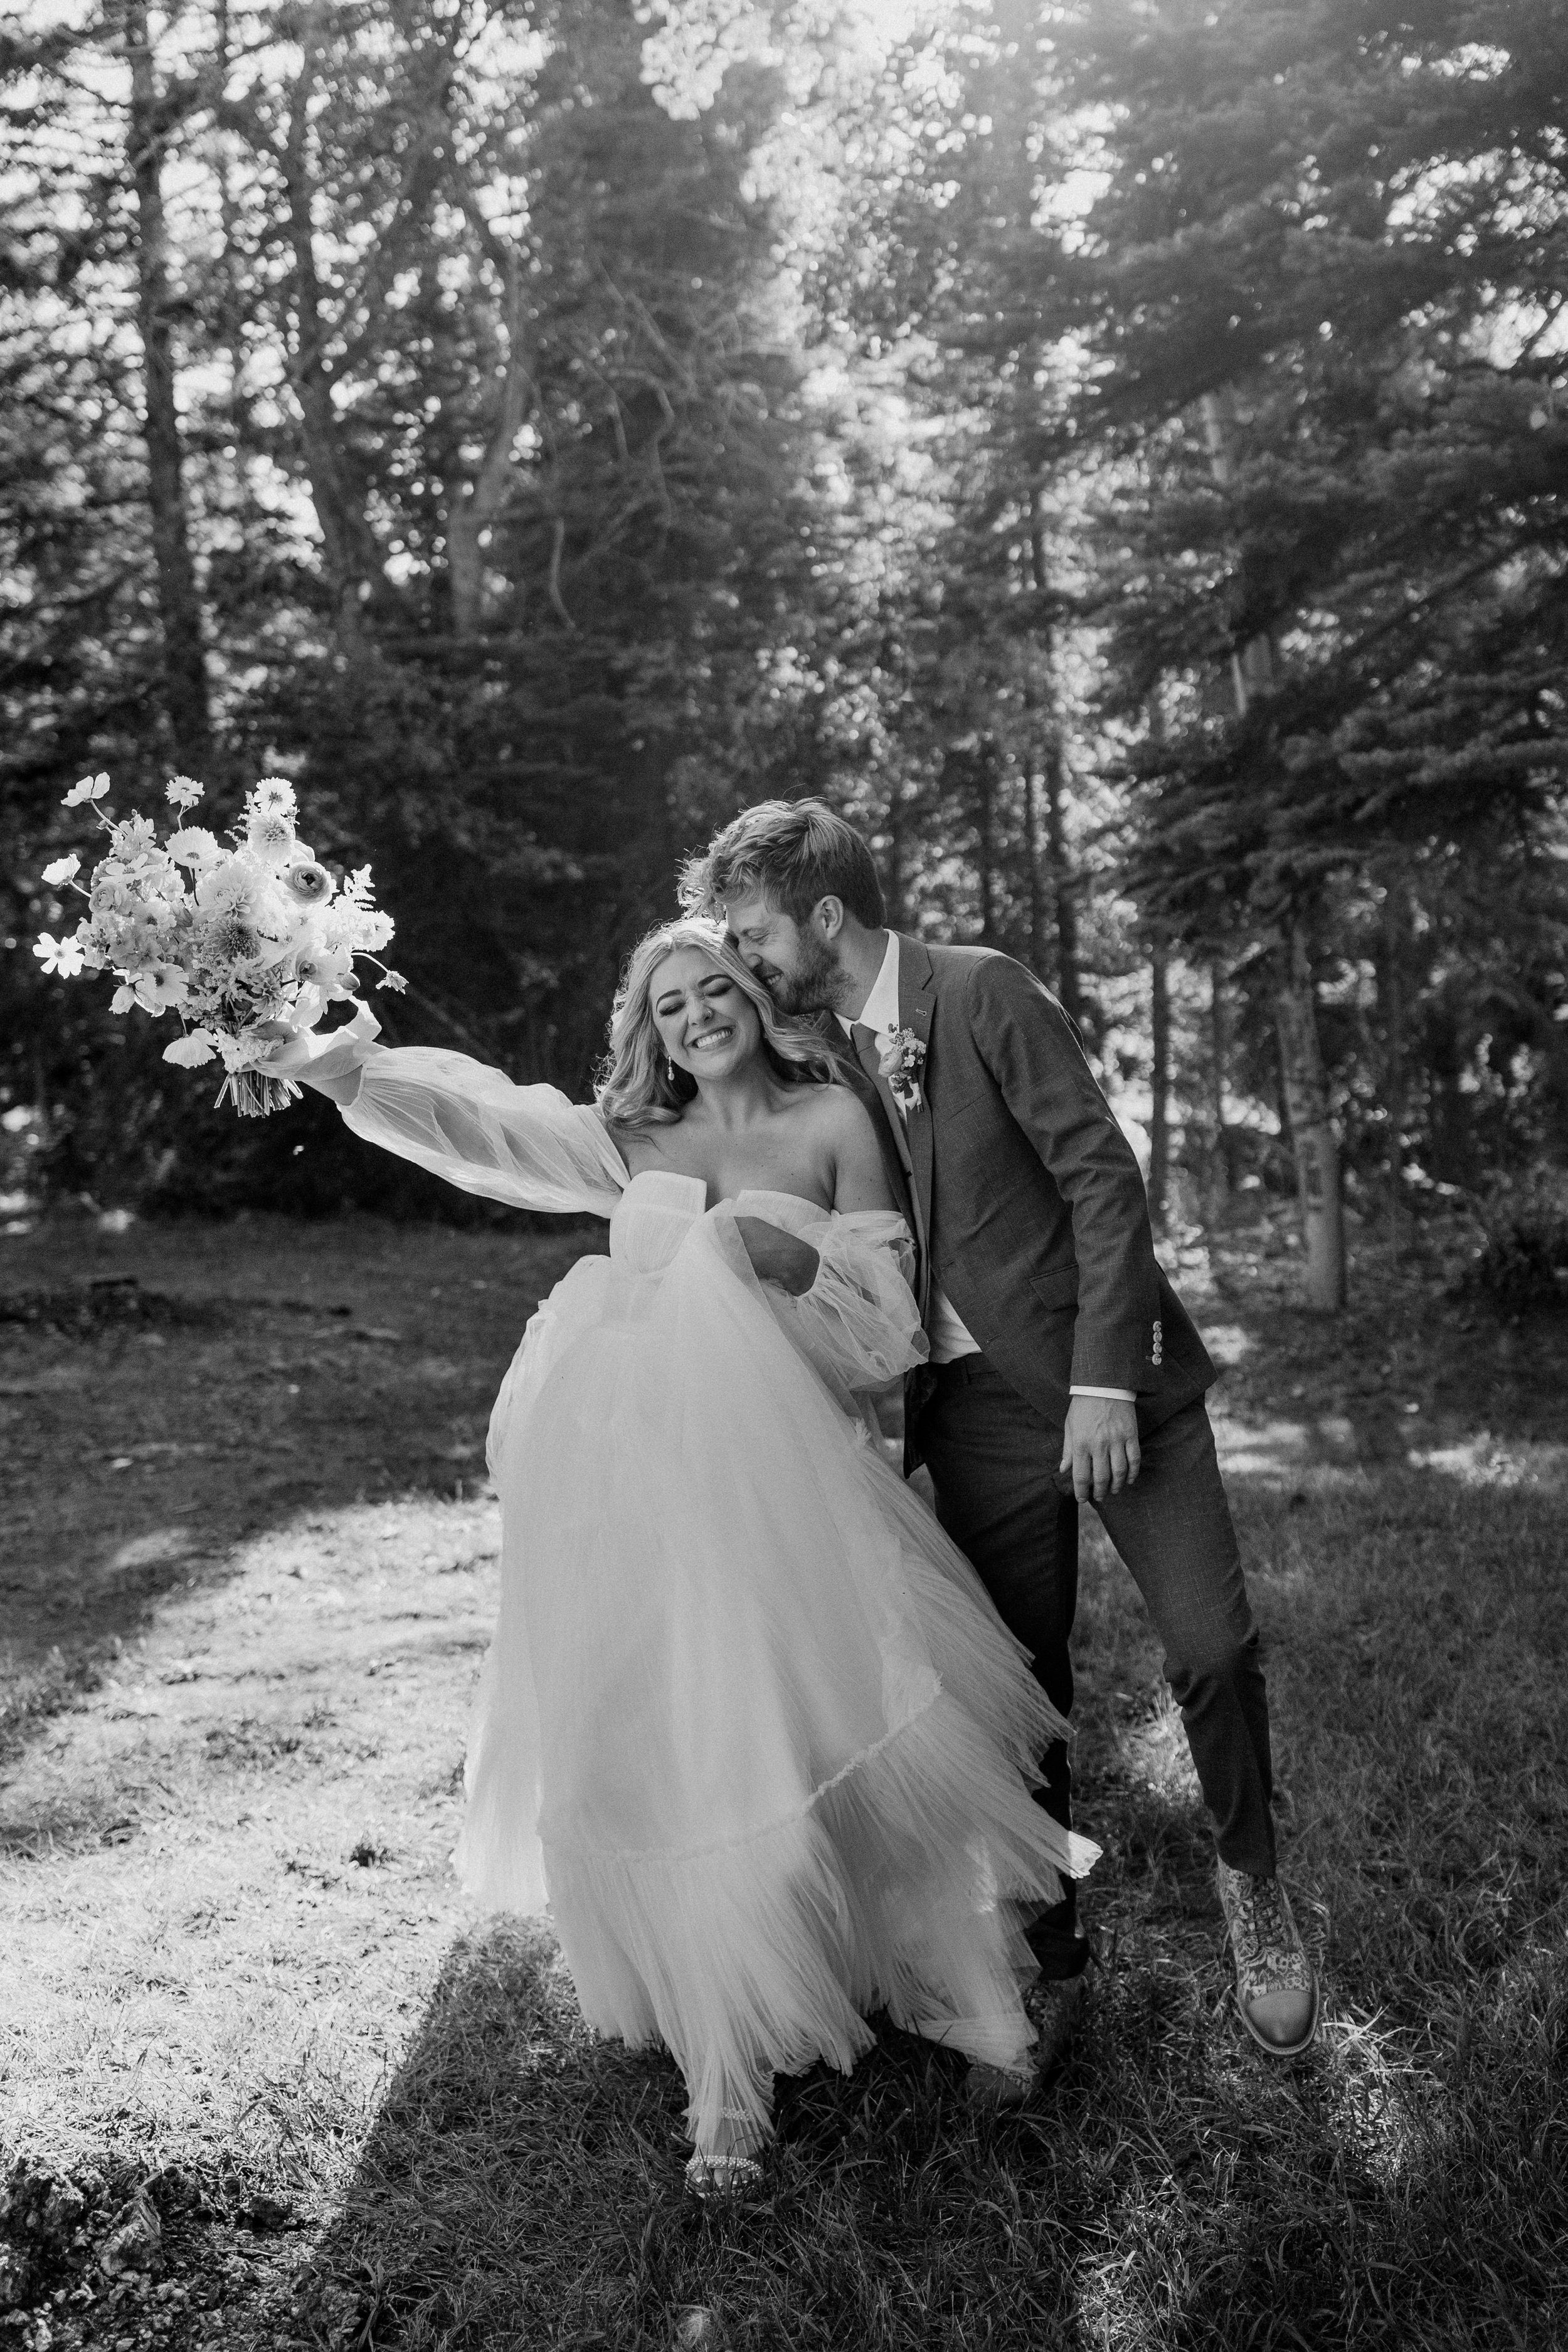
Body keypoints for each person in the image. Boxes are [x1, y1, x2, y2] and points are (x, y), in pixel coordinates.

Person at [261, 920, 1097, 2198]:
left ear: (759, 999)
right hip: (640, 1488)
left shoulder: (830, 1122)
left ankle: (967, 1997)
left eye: (718, 988)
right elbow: (490, 1131)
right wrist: (350, 1075)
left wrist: (785, 1258)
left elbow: (888, 1331)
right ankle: (726, 2071)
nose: (698, 1014)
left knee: (841, 1713)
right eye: (670, 1001)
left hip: (791, 1485)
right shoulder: (630, 1141)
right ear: (645, 1027)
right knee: (682, 1743)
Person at [682, 801, 1320, 2074]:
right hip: (964, 1414)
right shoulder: (813, 1055)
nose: (742, 963)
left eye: (752, 934)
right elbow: (664, 1124)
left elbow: (1101, 1179)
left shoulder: (983, 992)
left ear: (821, 915)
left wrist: (1099, 1385)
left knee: (1207, 1646)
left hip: (1106, 1384)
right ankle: (1050, 1945)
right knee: (1013, 1687)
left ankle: (1254, 1889)